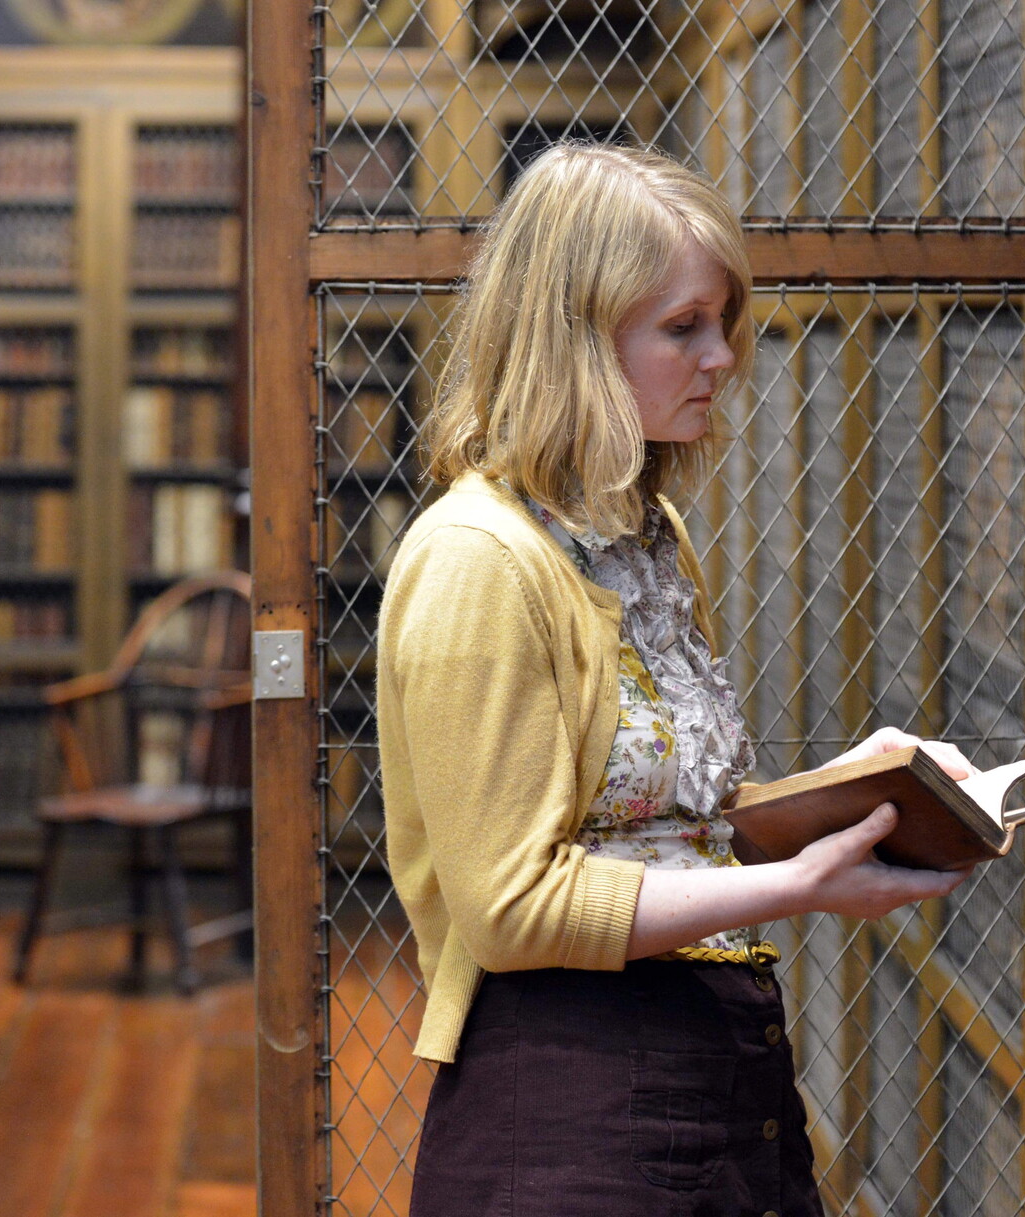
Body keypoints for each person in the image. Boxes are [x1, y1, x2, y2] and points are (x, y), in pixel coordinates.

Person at [377, 143, 979, 1216]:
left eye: (724, 322)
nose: (723, 357)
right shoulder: (478, 557)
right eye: (682, 327)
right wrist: (798, 887)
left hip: (720, 1069)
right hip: (573, 1100)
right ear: (574, 339)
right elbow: (511, 909)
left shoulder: (644, 535)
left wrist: (848, 789)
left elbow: (662, 833)